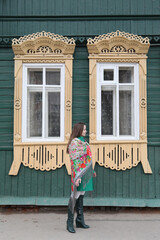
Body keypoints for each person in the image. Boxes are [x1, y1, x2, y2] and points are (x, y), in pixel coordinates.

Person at [66, 122, 96, 233]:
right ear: (79, 130)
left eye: (85, 130)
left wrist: (91, 170)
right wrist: (77, 177)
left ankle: (79, 220)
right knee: (75, 195)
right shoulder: (74, 143)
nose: (85, 131)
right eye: (84, 130)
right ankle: (69, 222)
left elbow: (86, 157)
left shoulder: (83, 141)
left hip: (85, 172)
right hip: (78, 173)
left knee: (82, 194)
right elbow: (75, 161)